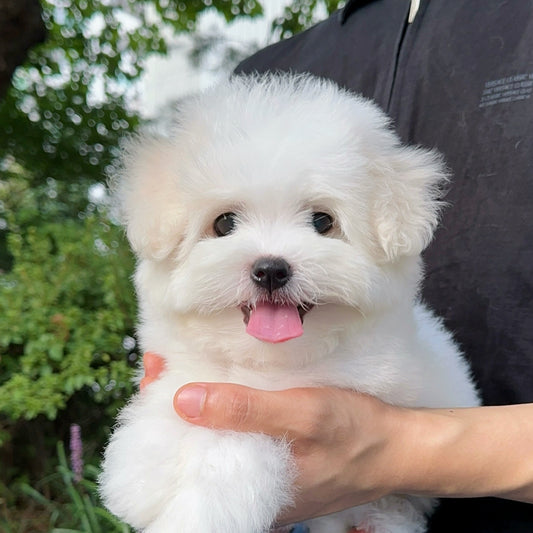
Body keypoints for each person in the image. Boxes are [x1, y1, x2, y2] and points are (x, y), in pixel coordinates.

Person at [142, 1, 533, 531]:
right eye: (227, 223)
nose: (271, 261)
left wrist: (397, 451)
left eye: (322, 221)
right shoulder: (267, 69)